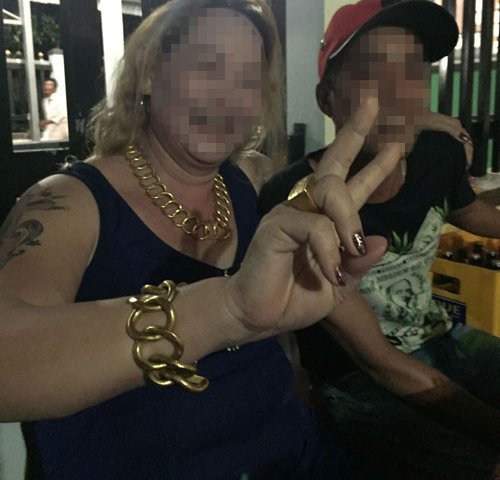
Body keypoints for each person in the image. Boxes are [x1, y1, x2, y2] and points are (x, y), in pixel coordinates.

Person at [0, 1, 403, 478]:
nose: (230, 97)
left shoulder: (250, 180)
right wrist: (225, 310)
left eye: (249, 81)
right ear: (148, 73)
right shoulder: (67, 202)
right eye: (208, 65)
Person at [259, 1, 500, 479]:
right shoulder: (295, 203)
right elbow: (376, 361)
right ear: (327, 99)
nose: (398, 91)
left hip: (441, 335)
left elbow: (472, 214)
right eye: (373, 72)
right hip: (353, 379)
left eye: (413, 71)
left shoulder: (438, 156)